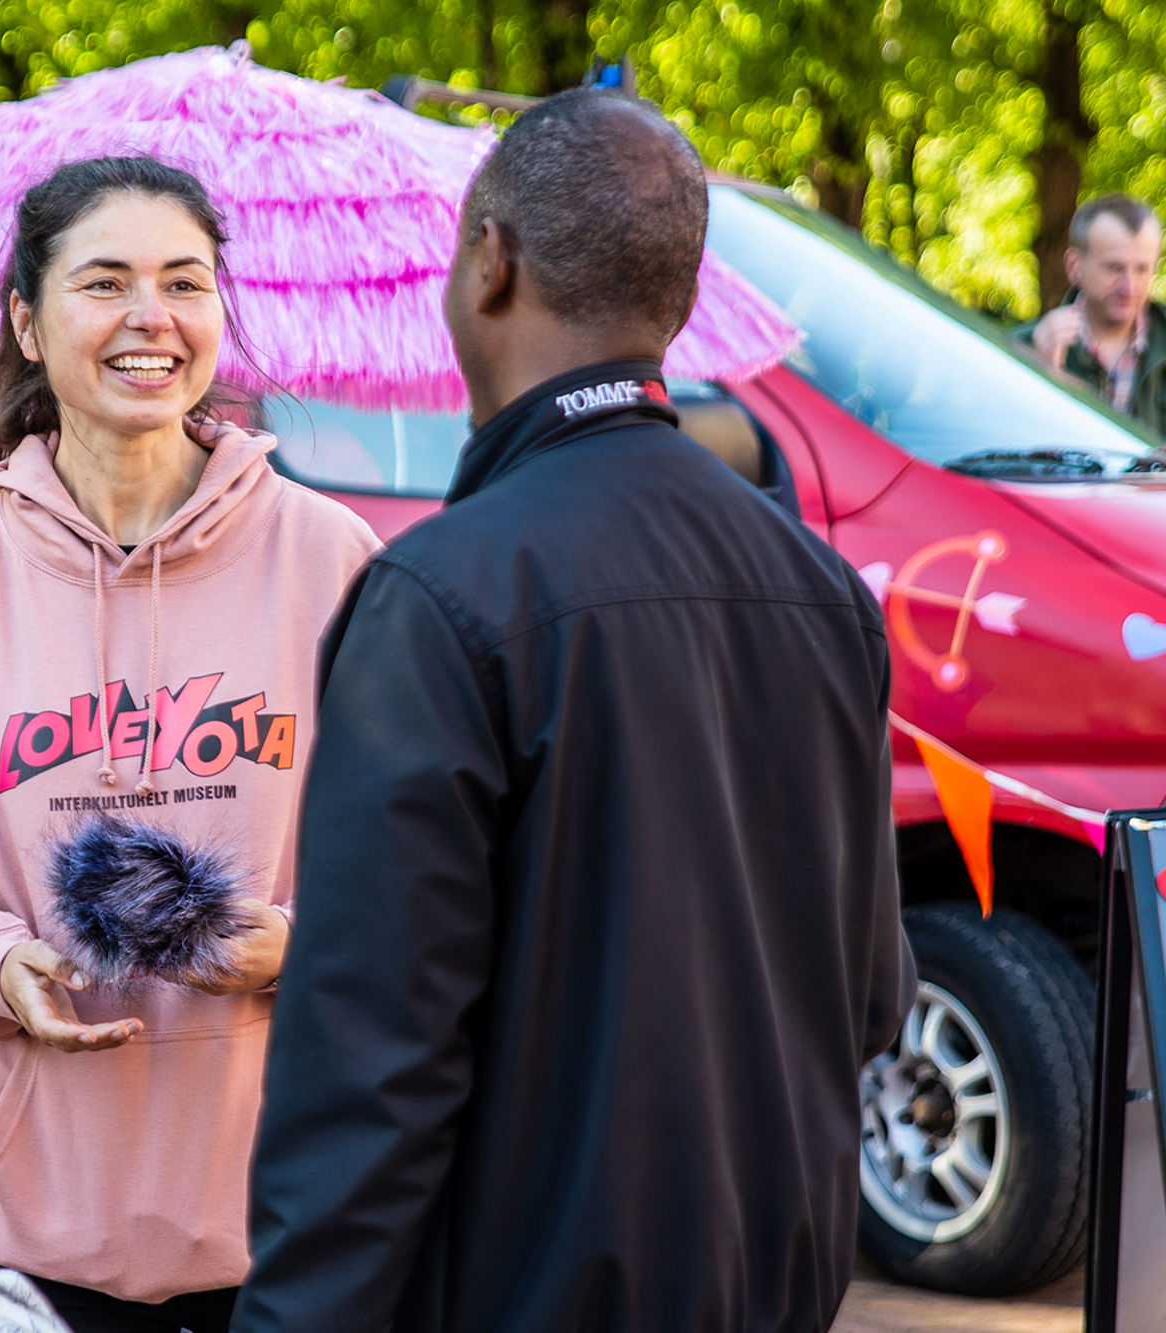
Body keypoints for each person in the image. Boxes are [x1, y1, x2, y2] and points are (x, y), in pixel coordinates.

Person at [231, 90, 914, 1333]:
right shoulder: (821, 591)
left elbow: (371, 1066)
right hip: (771, 1287)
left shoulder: (441, 597)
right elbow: (869, 995)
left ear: (491, 261)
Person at [0, 156, 379, 1333]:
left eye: (185, 283)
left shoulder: (332, 560)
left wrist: (297, 940)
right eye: (105, 282)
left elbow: (427, 861)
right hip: (33, 1210)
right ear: (26, 321)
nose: (151, 319)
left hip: (292, 1204)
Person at [1017, 193, 1166, 448]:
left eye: (1142, 269)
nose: (1129, 286)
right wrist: (1044, 379)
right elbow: (997, 460)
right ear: (1074, 266)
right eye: (1114, 268)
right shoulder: (1020, 349)